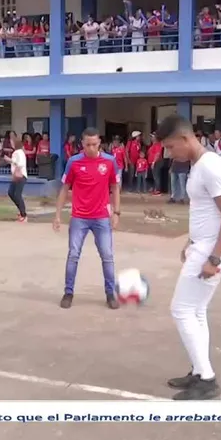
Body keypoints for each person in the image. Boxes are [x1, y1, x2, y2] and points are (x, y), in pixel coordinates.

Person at [153, 113, 221, 401]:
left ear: (185, 138)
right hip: (203, 245)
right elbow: (204, 211)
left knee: (181, 310)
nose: (168, 153)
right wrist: (191, 242)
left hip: (214, 249)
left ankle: (207, 379)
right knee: (196, 311)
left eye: (170, 146)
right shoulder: (197, 165)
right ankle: (200, 372)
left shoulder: (211, 167)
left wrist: (213, 258)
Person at [53, 127, 121, 310]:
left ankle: (109, 294)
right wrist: (58, 215)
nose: (91, 148)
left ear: (100, 143)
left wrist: (116, 213)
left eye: (94, 144)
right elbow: (64, 189)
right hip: (79, 218)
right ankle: (68, 292)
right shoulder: (74, 162)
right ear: (82, 144)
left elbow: (115, 188)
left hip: (101, 218)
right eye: (87, 144)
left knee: (107, 256)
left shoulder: (109, 161)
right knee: (73, 254)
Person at [5, 138, 28, 222]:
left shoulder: (18, 152)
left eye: (12, 142)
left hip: (20, 176)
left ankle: (24, 215)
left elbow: (20, 163)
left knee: (17, 194)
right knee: (11, 193)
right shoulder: (18, 152)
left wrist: (9, 160)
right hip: (16, 176)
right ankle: (21, 211)